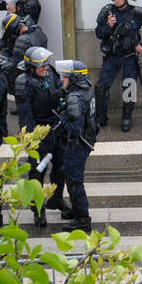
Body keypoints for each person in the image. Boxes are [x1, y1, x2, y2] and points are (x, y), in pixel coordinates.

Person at [94, 0, 142, 132]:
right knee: (101, 87)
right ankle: (101, 117)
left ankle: (126, 117)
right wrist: (108, 26)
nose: (116, 0)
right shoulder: (107, 12)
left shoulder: (138, 13)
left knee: (129, 86)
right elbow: (98, 33)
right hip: (111, 56)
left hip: (130, 56)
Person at [13, 46, 64, 226]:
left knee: (60, 168)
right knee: (37, 173)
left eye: (45, 64)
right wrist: (32, 139)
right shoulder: (23, 82)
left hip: (55, 128)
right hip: (38, 131)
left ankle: (56, 199)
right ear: (31, 67)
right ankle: (38, 209)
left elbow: (59, 92)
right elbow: (25, 114)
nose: (44, 68)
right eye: (40, 65)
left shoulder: (51, 72)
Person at [54, 59, 100, 234]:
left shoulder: (74, 97)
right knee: (70, 176)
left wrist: (62, 116)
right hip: (85, 140)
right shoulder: (86, 91)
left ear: (73, 79)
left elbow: (75, 127)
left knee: (74, 181)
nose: (62, 80)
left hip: (77, 143)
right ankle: (75, 210)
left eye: (65, 77)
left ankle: (83, 220)